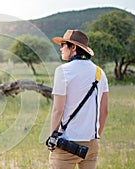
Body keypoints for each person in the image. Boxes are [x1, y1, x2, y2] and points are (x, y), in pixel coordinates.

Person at [46, 30, 109, 169]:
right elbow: (104, 111)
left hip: (66, 143)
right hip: (91, 144)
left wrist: (52, 137)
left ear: (73, 47)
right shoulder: (100, 73)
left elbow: (58, 110)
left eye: (63, 44)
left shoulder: (63, 71)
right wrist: (95, 136)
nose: (61, 48)